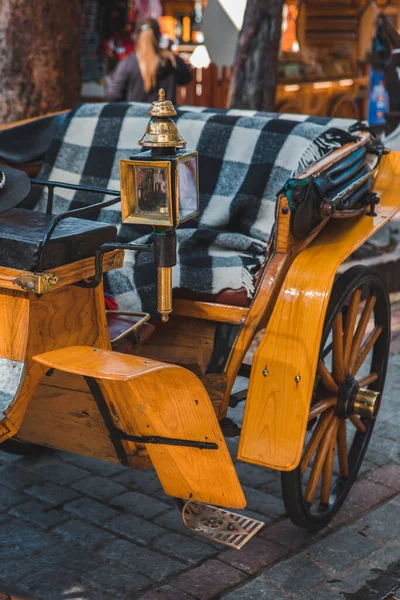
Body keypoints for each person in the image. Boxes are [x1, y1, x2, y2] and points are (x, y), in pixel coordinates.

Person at [106, 19, 192, 103]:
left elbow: (113, 94)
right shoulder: (171, 60)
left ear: (137, 38)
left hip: (134, 115)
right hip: (164, 116)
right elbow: (187, 77)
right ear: (159, 37)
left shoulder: (129, 63)